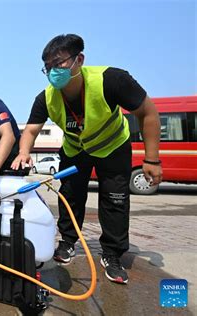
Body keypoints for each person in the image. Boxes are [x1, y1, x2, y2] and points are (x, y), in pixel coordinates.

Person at [11, 34, 162, 284]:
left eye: (58, 63)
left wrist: (152, 159)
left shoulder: (111, 80)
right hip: (75, 150)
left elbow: (148, 112)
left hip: (112, 146)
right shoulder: (47, 97)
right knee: (70, 195)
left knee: (114, 199)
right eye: (47, 67)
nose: (53, 72)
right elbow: (31, 129)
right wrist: (24, 152)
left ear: (79, 59)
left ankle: (112, 254)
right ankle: (68, 242)